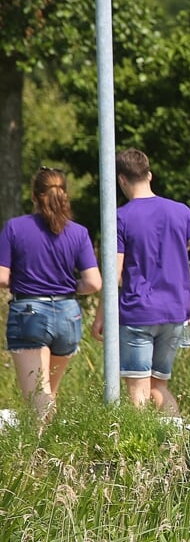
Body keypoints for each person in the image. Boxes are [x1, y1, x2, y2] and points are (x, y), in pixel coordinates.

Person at [94, 149, 190, 415]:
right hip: (174, 312)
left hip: (138, 313)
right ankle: (175, 443)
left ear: (122, 180)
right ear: (149, 175)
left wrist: (102, 315)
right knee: (159, 387)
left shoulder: (120, 217)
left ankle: (142, 452)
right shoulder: (181, 212)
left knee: (138, 390)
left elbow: (115, 273)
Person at [0, 167, 102, 419]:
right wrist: (69, 287)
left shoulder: (14, 228)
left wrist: (24, 280)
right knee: (48, 394)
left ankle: (39, 455)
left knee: (37, 397)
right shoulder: (78, 233)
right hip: (68, 315)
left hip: (29, 313)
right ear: (64, 195)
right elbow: (93, 282)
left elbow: (2, 277)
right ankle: (52, 449)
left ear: (34, 196)